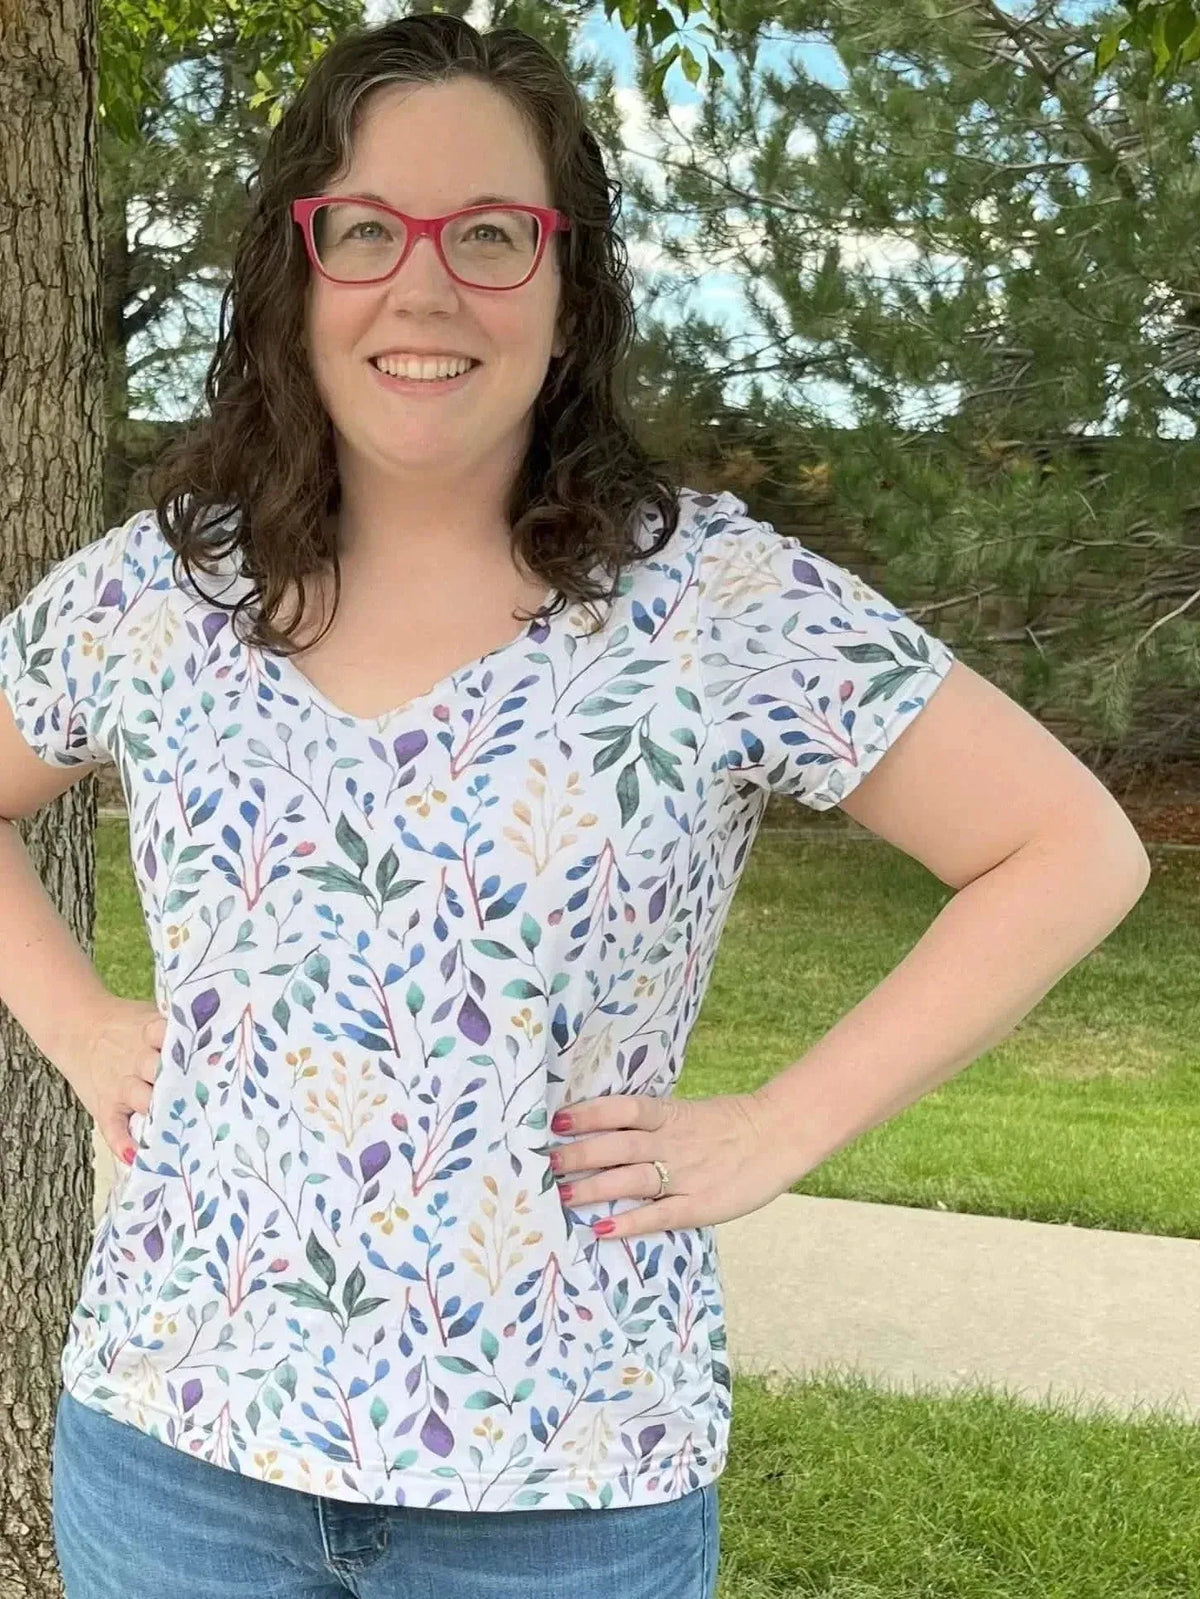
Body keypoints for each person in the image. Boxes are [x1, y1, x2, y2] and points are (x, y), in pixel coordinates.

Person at [0, 13, 1150, 1599]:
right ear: (294, 268)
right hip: (176, 1450)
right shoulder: (162, 589)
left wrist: (781, 1126)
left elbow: (1069, 848)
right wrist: (70, 1020)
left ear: (568, 278)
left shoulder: (717, 602)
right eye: (365, 230)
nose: (424, 286)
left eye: (489, 232)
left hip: (569, 1484)